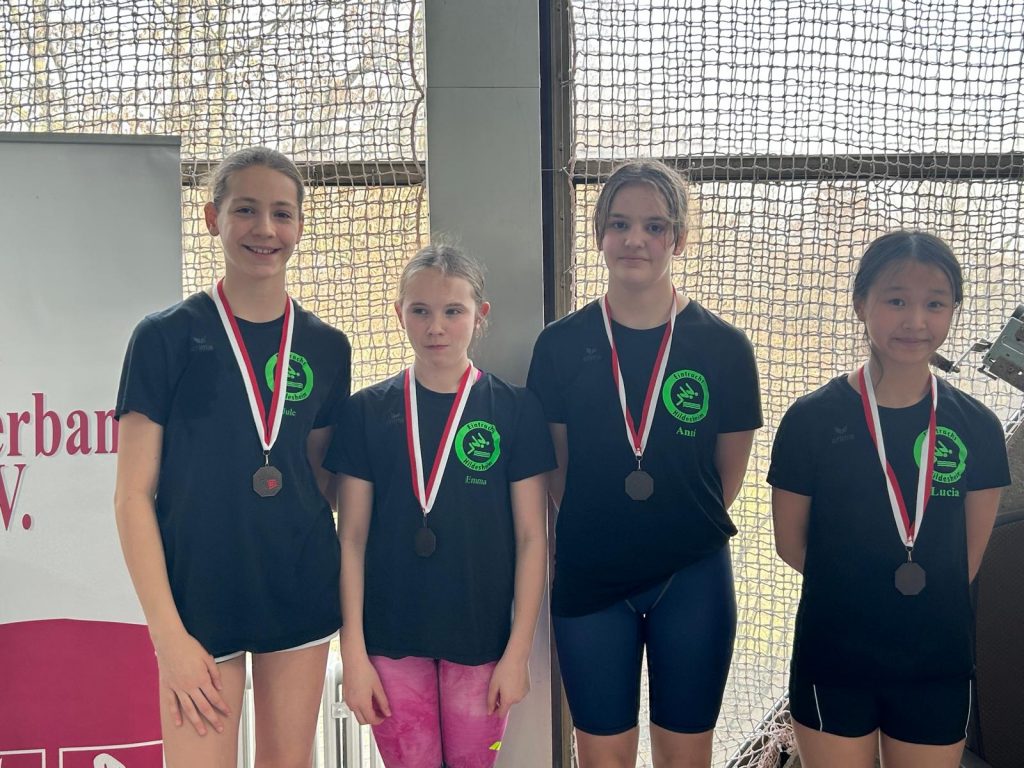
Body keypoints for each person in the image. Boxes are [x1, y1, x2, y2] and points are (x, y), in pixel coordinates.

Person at [114, 147, 350, 767]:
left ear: (300, 225)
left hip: (297, 586)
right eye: (246, 210)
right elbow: (132, 495)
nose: (264, 229)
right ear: (212, 217)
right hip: (198, 597)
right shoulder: (164, 337)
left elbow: (320, 479)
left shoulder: (328, 347)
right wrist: (167, 635)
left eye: (281, 213)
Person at [527, 159, 762, 767]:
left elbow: (725, 474)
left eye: (655, 227)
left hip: (692, 576)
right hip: (592, 575)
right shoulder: (560, 345)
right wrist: (608, 523)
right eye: (620, 224)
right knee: (602, 757)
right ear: (600, 234)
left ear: (678, 239)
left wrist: (668, 525)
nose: (635, 239)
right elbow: (558, 471)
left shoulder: (723, 347)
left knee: (684, 756)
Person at [769, 231, 1010, 768]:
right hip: (834, 656)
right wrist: (863, 592)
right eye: (896, 300)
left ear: (953, 311)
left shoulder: (978, 428)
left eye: (935, 304)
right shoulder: (812, 420)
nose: (915, 321)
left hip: (935, 662)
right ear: (862, 303)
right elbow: (790, 543)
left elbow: (965, 560)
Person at [328, 244, 553, 768]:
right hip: (389, 640)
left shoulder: (515, 410)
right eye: (420, 310)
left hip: (483, 641)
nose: (436, 327)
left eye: (453, 311)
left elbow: (532, 538)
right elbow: (350, 539)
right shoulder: (366, 412)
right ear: (399, 313)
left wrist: (518, 653)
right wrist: (352, 655)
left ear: (480, 315)